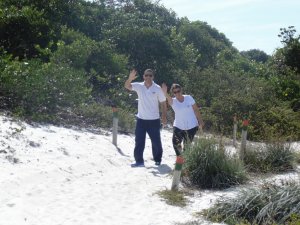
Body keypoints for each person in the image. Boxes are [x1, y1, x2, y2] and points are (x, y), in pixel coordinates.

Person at [125, 69, 167, 167]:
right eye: (146, 75)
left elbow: (163, 103)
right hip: (141, 120)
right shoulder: (139, 86)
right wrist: (130, 78)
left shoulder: (157, 88)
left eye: (150, 75)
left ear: (153, 77)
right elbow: (127, 86)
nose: (148, 77)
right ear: (143, 76)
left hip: (154, 120)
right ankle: (139, 161)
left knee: (156, 142)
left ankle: (157, 160)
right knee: (139, 141)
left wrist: (164, 117)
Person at [161, 83, 204, 156]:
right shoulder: (173, 101)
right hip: (178, 126)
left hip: (191, 126)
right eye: (175, 92)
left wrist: (201, 121)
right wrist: (165, 92)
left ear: (181, 90)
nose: (177, 93)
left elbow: (196, 110)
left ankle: (184, 164)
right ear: (173, 93)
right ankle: (179, 163)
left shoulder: (189, 98)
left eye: (178, 91)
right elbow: (168, 98)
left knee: (187, 147)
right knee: (176, 144)